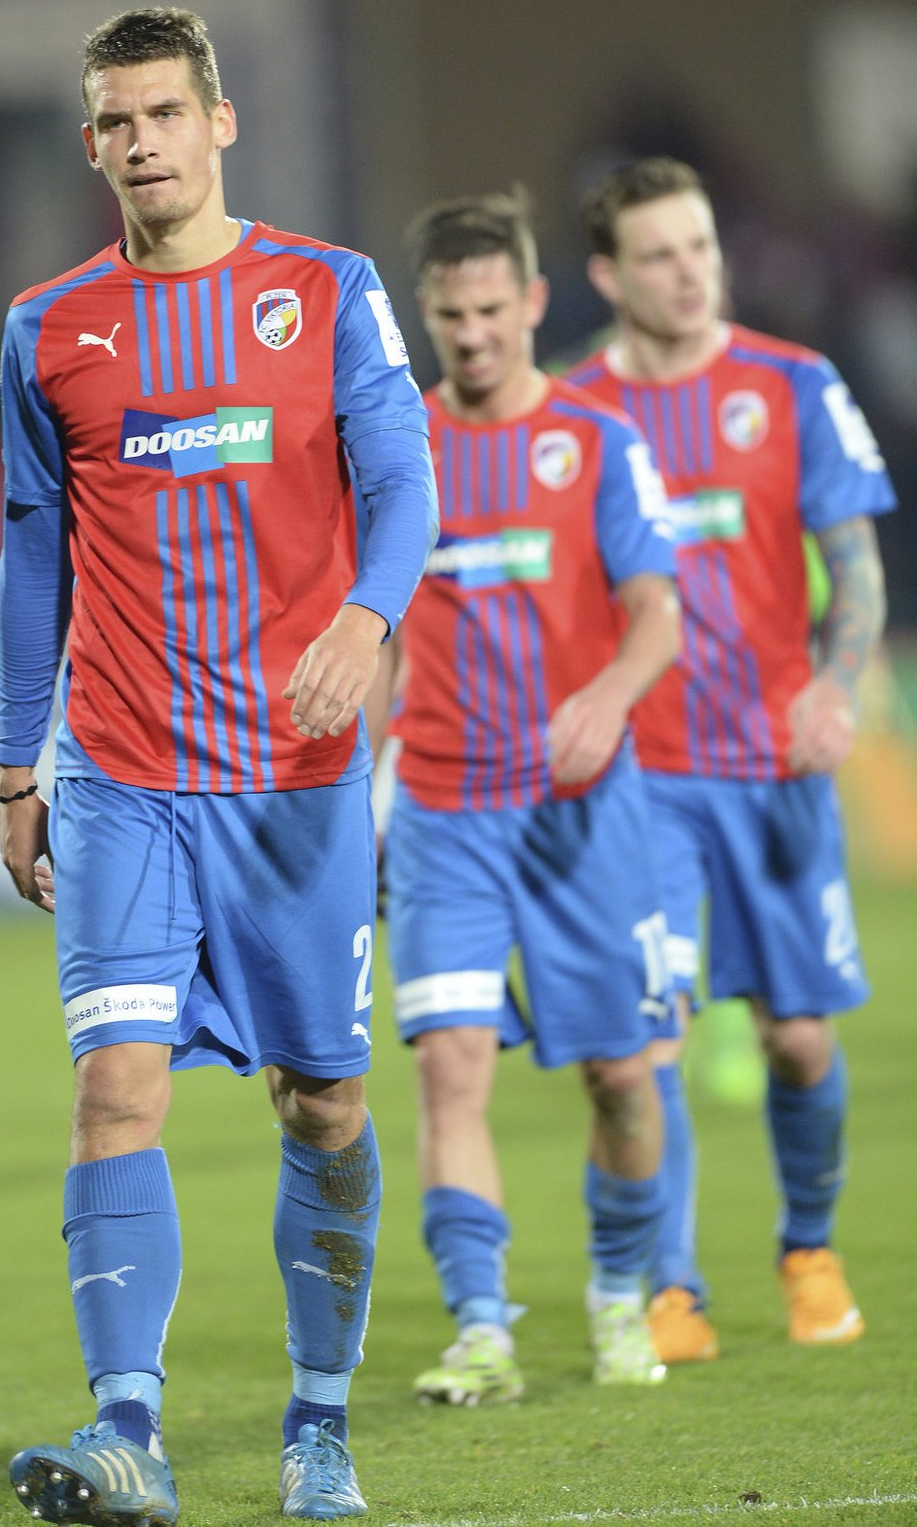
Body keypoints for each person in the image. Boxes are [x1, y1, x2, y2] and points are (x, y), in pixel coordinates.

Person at [0, 7, 437, 1526]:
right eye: (114, 123)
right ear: (91, 141)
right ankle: (130, 1436)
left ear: (219, 124)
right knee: (115, 1087)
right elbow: (31, 556)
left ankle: (318, 1426)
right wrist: (11, 765)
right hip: (120, 776)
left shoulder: (329, 293)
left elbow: (403, 487)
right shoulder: (46, 328)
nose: (141, 144)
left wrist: (368, 618)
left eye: (165, 115)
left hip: (295, 780)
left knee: (323, 1103)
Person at [568, 157, 896, 1364]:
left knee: (798, 1039)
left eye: (701, 244)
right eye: (659, 254)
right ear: (608, 274)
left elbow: (854, 565)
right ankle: (671, 1287)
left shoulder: (794, 384)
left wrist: (835, 678)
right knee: (646, 1048)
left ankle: (808, 1248)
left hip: (773, 768)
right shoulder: (577, 413)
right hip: (639, 782)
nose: (690, 270)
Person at [367, 190, 682, 1402]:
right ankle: (484, 1327)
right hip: (449, 816)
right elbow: (382, 626)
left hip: (585, 812)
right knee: (450, 1068)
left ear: (536, 302)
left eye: (495, 310)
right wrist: (365, 765)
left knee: (619, 1074)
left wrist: (607, 696)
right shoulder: (397, 450)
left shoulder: (599, 442)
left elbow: (656, 607)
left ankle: (616, 1296)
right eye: (453, 316)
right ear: (428, 317)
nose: (477, 334)